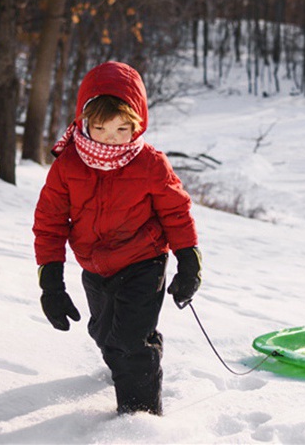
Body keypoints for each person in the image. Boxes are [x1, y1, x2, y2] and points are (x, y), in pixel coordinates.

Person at [32, 60, 202, 417]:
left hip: (143, 261)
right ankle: (136, 354)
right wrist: (51, 283)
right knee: (104, 335)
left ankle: (139, 424)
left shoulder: (150, 163)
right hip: (95, 266)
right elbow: (49, 223)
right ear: (83, 123)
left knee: (129, 344)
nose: (112, 140)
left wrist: (189, 261)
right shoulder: (68, 164)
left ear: (137, 124)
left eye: (123, 129)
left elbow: (176, 212)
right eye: (102, 129)